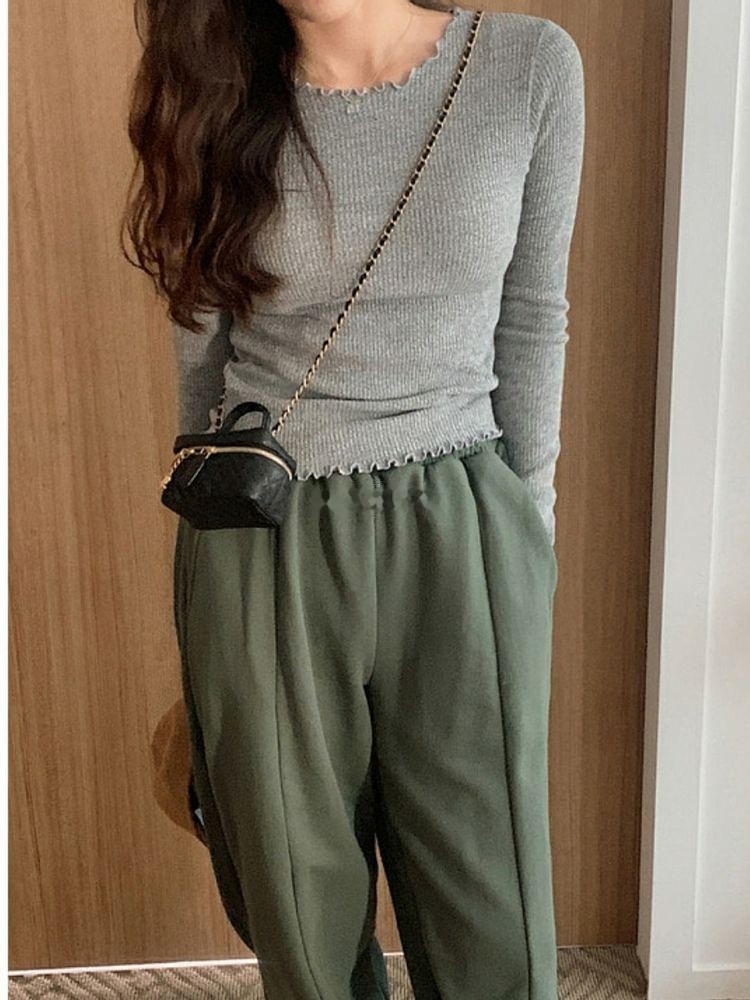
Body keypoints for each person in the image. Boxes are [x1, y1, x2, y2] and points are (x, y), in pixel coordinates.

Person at [126, 1, 585, 996]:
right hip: (269, 531)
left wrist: (528, 530)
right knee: (301, 906)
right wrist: (212, 572)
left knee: (491, 911)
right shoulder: (214, 89)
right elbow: (200, 357)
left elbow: (534, 315)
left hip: (462, 524)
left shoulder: (527, 65)